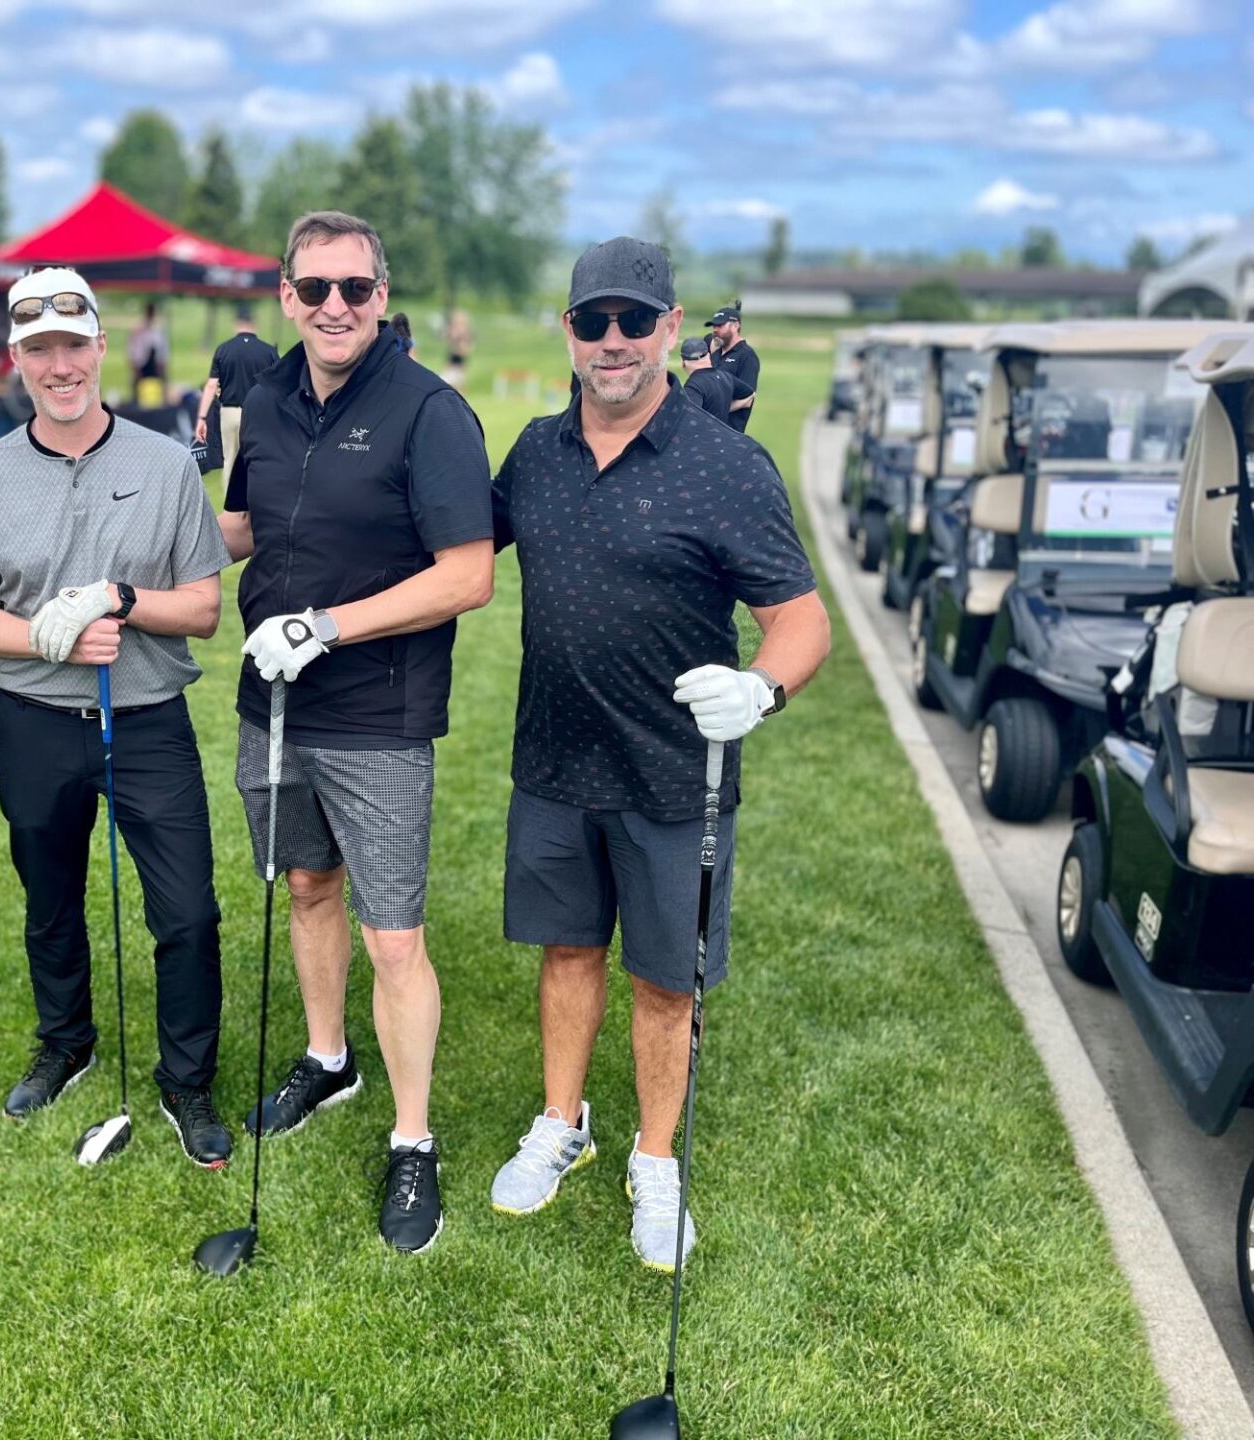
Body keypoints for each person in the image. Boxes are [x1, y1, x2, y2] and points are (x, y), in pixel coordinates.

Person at [487, 238, 830, 1268]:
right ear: (570, 334)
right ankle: (564, 1123)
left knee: (666, 985)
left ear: (674, 330)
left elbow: (802, 621)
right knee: (567, 952)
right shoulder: (537, 454)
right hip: (553, 760)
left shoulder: (726, 466)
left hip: (676, 777)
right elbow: (453, 554)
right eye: (594, 322)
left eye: (637, 321)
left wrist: (761, 688)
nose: (615, 341)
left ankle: (657, 1158)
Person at [219, 211, 495, 1253]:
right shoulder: (268, 399)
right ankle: (328, 1060)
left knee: (394, 933)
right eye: (316, 289)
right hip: (275, 704)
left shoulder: (431, 412)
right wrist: (127, 508)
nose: (336, 307)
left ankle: (413, 1140)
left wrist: (327, 626)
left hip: (377, 713)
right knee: (306, 887)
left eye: (356, 289)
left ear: (383, 298)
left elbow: (468, 574)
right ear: (286, 297)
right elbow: (246, 529)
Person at [0, 267, 236, 1168]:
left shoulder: (164, 462)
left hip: (145, 720)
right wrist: (47, 636)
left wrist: (123, 601)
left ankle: (186, 1082)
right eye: (38, 351)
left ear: (101, 347)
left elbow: (203, 607)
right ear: (17, 362)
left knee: (187, 913)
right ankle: (66, 1043)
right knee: (51, 900)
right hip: (34, 718)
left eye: (72, 345)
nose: (58, 366)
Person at [194, 303, 279, 487]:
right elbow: (278, 386)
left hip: (229, 412)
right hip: (258, 414)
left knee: (229, 462)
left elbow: (210, 386)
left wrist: (202, 418)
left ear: (236, 324)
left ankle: (230, 511)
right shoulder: (268, 351)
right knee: (257, 461)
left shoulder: (223, 349)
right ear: (254, 324)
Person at [704, 304, 761, 433]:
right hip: (707, 427)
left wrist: (712, 412)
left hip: (728, 431)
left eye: (720, 326)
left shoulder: (747, 356)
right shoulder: (716, 350)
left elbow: (748, 398)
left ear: (736, 326)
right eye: (714, 326)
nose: (715, 330)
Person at [679, 334, 739, 421]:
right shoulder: (725, 377)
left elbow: (690, 419)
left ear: (683, 362)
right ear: (708, 355)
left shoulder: (693, 386)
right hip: (721, 432)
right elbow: (749, 395)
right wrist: (724, 409)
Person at [128, 302, 170, 390]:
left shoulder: (158, 330)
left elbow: (162, 350)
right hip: (142, 364)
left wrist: (162, 365)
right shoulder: (138, 331)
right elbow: (134, 349)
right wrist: (135, 366)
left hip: (155, 364)